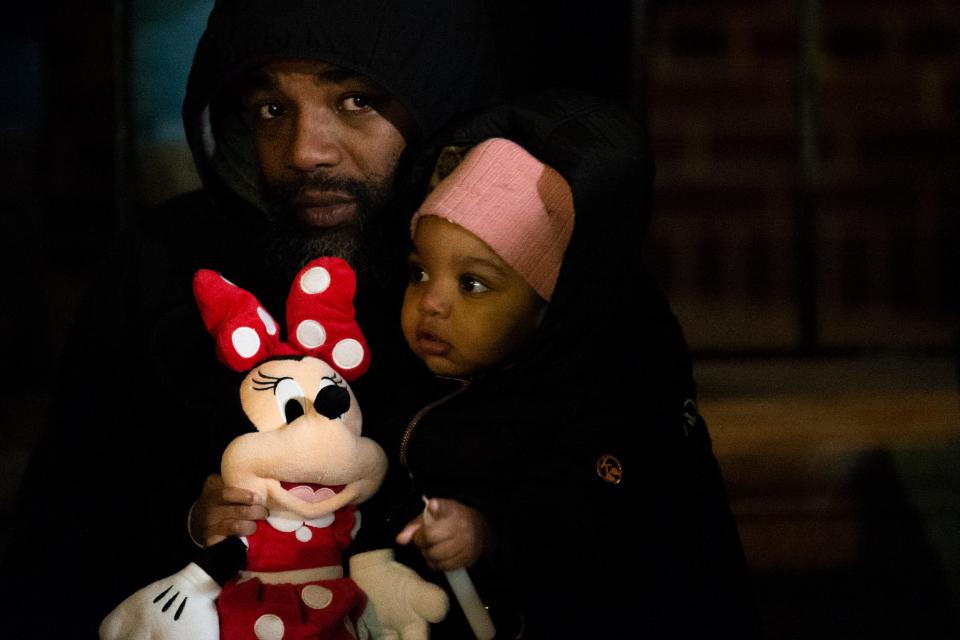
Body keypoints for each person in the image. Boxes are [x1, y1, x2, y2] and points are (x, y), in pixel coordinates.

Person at [0, 1, 498, 637]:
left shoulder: (515, 276)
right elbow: (62, 546)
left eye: (357, 102)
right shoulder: (162, 266)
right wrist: (189, 526)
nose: (304, 152)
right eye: (271, 108)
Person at [348, 100, 761, 638]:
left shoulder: (589, 407)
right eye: (419, 272)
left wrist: (487, 531)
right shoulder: (416, 384)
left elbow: (586, 522)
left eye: (473, 284)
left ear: (550, 308)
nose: (432, 302)